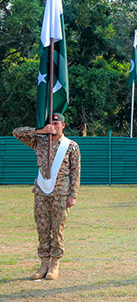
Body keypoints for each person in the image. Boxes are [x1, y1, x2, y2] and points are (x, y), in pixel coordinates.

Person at [13, 113, 81, 281]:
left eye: (57, 124)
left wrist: (73, 195)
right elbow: (16, 132)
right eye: (52, 123)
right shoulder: (39, 141)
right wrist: (40, 130)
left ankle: (54, 263)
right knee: (42, 228)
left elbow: (75, 172)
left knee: (57, 229)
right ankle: (44, 262)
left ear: (63, 126)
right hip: (41, 192)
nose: (54, 126)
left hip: (61, 193)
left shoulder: (71, 146)